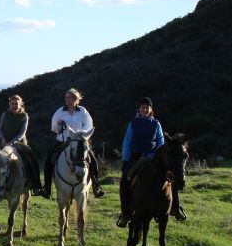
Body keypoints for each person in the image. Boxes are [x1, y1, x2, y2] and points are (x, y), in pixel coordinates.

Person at [115, 97, 185, 226]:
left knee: (170, 177)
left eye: (147, 107)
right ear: (139, 109)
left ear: (151, 110)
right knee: (124, 180)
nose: (145, 109)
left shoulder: (156, 124)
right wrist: (125, 160)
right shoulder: (133, 123)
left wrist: (161, 157)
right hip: (136, 157)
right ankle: (125, 214)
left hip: (153, 158)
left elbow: (161, 142)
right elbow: (127, 142)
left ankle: (176, 208)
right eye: (143, 107)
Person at [39, 88, 104, 199]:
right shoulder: (60, 111)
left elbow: (88, 125)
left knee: (93, 162)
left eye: (68, 97)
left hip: (79, 141)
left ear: (75, 99)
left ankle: (96, 187)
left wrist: (80, 134)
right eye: (65, 97)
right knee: (49, 162)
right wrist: (58, 124)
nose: (66, 99)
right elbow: (53, 128)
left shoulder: (82, 111)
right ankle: (47, 189)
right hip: (63, 141)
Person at [0, 95, 42, 195]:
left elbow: (23, 132)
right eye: (12, 103)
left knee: (32, 160)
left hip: (20, 143)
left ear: (20, 104)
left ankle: (36, 186)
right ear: (10, 104)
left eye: (16, 104)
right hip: (5, 143)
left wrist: (12, 142)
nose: (14, 105)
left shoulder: (24, 116)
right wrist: (2, 138)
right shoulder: (5, 114)